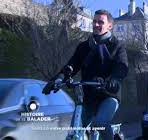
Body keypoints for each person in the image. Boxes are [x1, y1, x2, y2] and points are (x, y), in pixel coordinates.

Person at [42, 9, 128, 140]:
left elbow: (122, 66)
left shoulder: (117, 46)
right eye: (94, 21)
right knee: (74, 131)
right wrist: (57, 79)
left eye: (101, 22)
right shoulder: (83, 47)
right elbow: (71, 66)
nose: (96, 24)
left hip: (108, 95)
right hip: (88, 97)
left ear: (110, 26)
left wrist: (115, 79)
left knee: (100, 123)